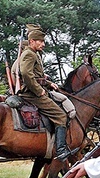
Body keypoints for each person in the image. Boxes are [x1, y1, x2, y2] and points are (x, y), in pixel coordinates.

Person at [18, 27, 73, 161]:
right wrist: (39, 90)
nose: (43, 44)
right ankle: (60, 150)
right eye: (40, 41)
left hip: (36, 90)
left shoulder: (34, 53)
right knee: (60, 116)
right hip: (32, 94)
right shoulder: (29, 54)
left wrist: (48, 84)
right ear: (32, 41)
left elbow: (37, 76)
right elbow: (26, 74)